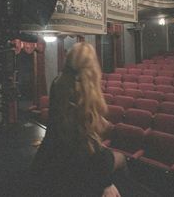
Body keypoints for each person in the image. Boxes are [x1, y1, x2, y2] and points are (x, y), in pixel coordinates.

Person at [30, 42, 126, 197]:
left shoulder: (57, 83)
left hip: (52, 155)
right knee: (121, 159)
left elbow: (72, 122)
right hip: (78, 160)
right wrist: (106, 182)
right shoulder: (85, 91)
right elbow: (88, 145)